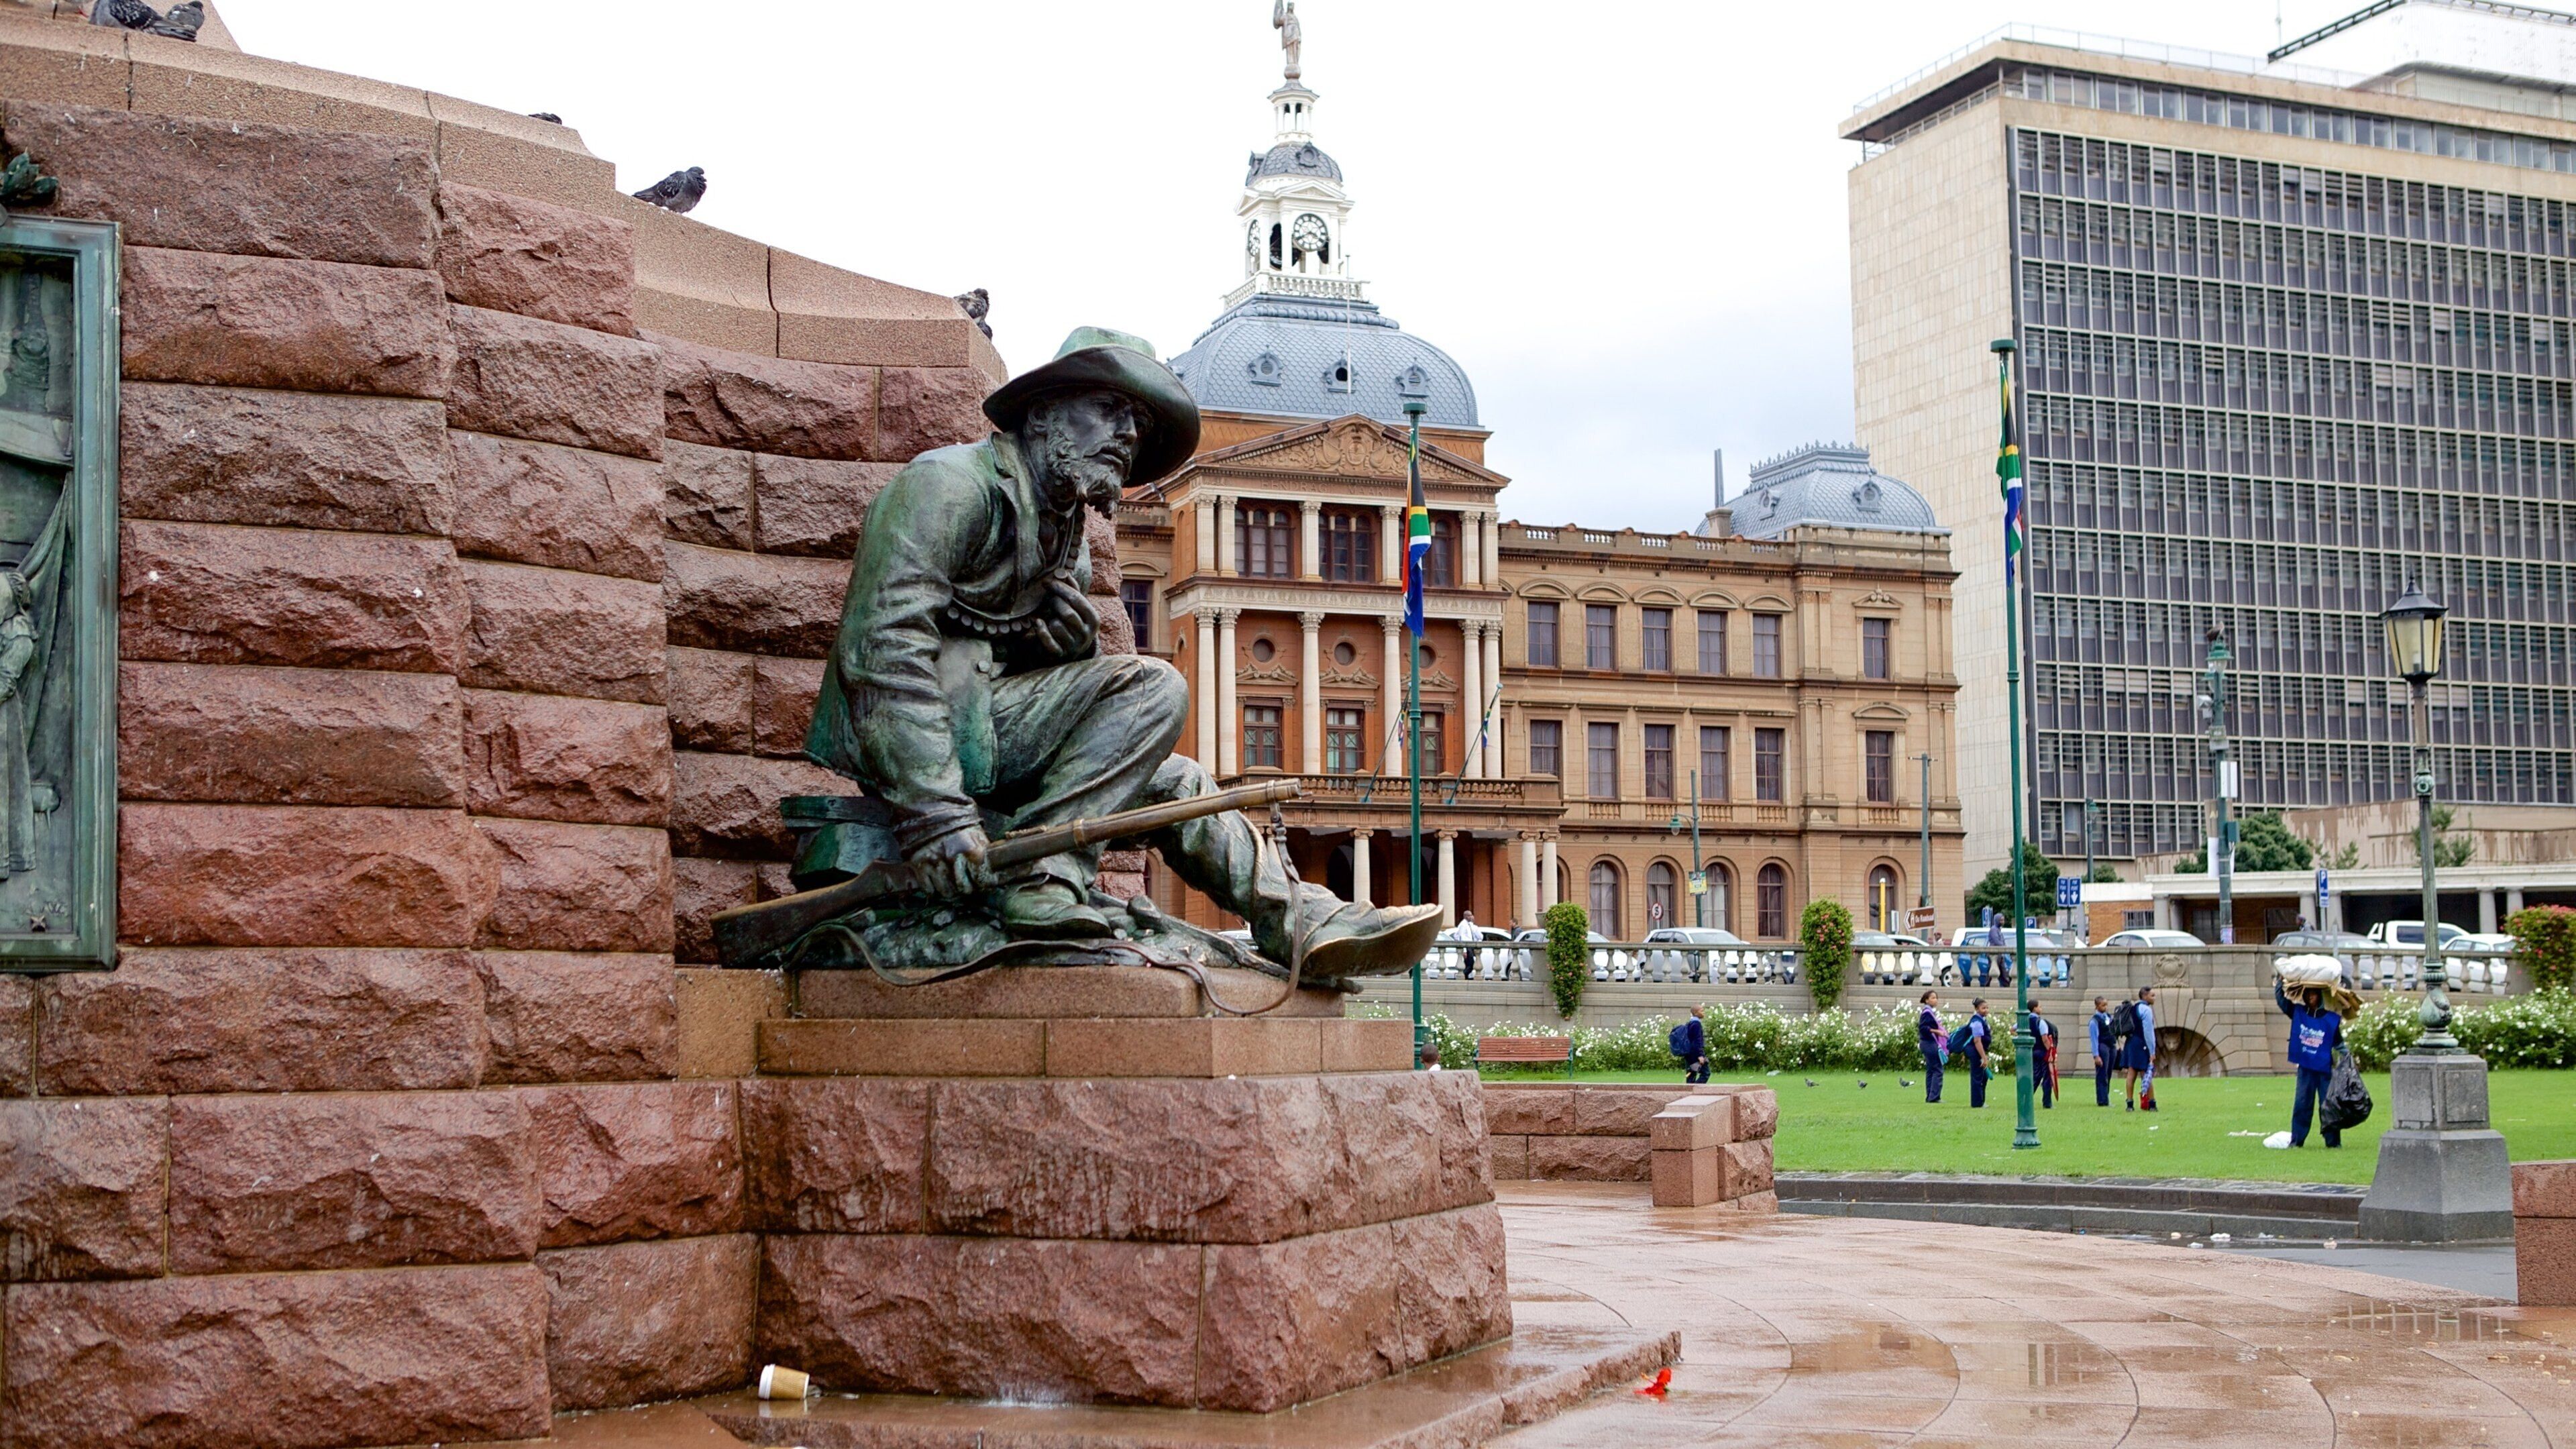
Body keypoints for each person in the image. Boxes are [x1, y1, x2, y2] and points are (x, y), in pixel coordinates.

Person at [802, 325, 1442, 973]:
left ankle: (1296, 919)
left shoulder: (1068, 532)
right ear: (1045, 412)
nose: (1128, 434)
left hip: (984, 735)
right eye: (1109, 410)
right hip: (922, 743)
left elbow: (1045, 702)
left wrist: (1064, 650)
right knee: (1156, 686)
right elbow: (882, 652)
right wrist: (935, 814)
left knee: (1183, 781)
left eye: (1136, 420)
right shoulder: (947, 485)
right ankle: (1042, 880)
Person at [2276, 979, 2345, 1148]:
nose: (2309, 998)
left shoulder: (2330, 1020)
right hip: (2305, 1068)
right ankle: (2297, 1141)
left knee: (2328, 1106)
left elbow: (2339, 1043)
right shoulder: (2298, 1013)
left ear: (2319, 996)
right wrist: (2279, 983)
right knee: (2302, 1105)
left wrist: (2347, 1058)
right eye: (2306, 995)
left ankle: (2333, 1142)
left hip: (2324, 1069)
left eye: (2313, 995)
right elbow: (2283, 1002)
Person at [2126, 986, 2158, 1112]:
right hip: (2142, 1043)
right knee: (2146, 1073)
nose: (2154, 998)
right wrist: (2152, 1051)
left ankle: (2129, 1104)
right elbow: (2148, 1032)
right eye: (2152, 996)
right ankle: (2152, 1103)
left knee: (2131, 1073)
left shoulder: (2134, 1008)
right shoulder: (2146, 1010)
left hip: (2132, 1043)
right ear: (2145, 996)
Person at [2027, 1003, 2059, 1109]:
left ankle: (2026, 1098)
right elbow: (2045, 1038)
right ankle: (2047, 1102)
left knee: (2036, 1076)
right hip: (2043, 1052)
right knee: (2047, 1077)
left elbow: (2013, 1029)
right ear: (2034, 1008)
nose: (2041, 1008)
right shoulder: (2040, 1022)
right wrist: (2051, 1053)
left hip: (2032, 1051)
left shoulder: (2024, 1021)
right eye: (2039, 1006)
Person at [2087, 995, 2116, 1108]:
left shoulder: (2108, 1017)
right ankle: (2102, 1099)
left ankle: (2106, 1097)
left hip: (2111, 1045)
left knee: (2108, 1073)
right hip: (2102, 1046)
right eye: (2103, 1005)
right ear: (2097, 1006)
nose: (2105, 1007)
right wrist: (2096, 1055)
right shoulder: (2095, 1021)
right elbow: (2094, 1039)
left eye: (2106, 1005)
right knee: (2102, 1074)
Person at [1915, 990, 1944, 1104]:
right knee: (1937, 1069)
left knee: (1931, 1070)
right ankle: (1934, 1096)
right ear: (1927, 1000)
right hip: (1929, 1043)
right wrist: (1937, 1031)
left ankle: (1930, 1096)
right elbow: (1923, 1028)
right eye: (1932, 998)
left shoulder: (1928, 1012)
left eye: (1936, 998)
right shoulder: (1927, 1013)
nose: (1935, 1000)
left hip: (1926, 1043)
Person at [1967, 997, 1993, 1108]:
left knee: (1983, 1077)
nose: (1986, 1010)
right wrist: (1984, 1057)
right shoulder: (1977, 1022)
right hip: (1976, 1052)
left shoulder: (1982, 1020)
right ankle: (1977, 1103)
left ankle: (1981, 1101)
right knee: (1978, 1077)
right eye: (1983, 1008)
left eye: (1987, 1008)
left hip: (1978, 1051)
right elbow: (1977, 1041)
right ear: (1977, 1009)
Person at [1674, 1004, 1709, 1085]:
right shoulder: (1696, 1024)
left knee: (1691, 1075)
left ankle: (1689, 1092)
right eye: (1702, 1011)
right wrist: (1700, 1055)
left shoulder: (1690, 1023)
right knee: (1706, 1073)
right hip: (1695, 1055)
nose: (1704, 1013)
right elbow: (1697, 1040)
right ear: (1696, 1013)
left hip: (1689, 1054)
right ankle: (1694, 1090)